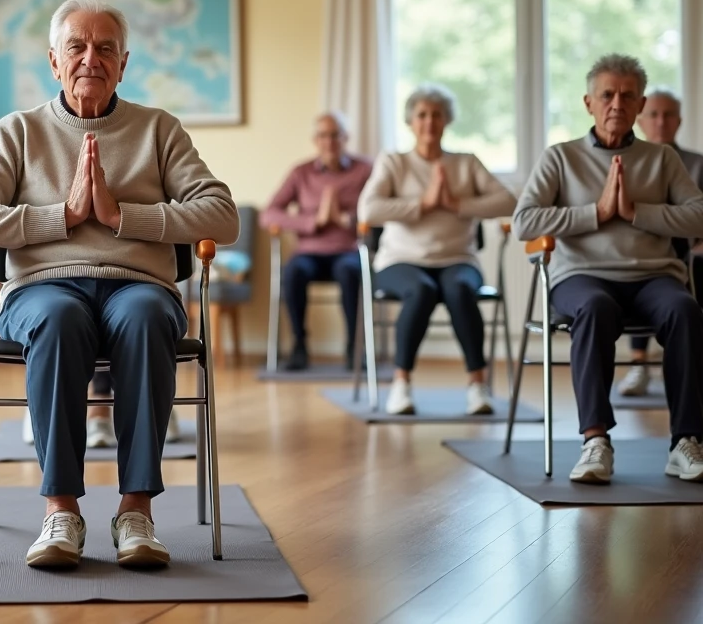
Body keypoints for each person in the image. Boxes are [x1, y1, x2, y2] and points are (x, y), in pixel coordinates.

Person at [0, 0, 239, 569]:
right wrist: (64, 216)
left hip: (139, 287)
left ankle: (136, 513)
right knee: (59, 318)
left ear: (124, 63)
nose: (90, 59)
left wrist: (123, 216)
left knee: (149, 315)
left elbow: (221, 215)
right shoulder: (18, 132)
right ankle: (61, 512)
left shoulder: (158, 130)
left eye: (105, 48)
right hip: (43, 291)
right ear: (54, 61)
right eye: (76, 47)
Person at [513, 54, 703, 484]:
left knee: (685, 310)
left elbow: (699, 215)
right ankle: (595, 441)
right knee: (596, 309)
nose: (617, 103)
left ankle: (685, 441)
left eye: (627, 95)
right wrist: (595, 213)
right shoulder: (559, 157)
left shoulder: (663, 159)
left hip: (653, 276)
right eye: (607, 94)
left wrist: (637, 212)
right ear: (588, 103)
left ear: (640, 105)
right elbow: (524, 222)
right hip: (582, 276)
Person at [357, 84, 516, 416]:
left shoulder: (466, 163)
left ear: (447, 121)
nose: (429, 122)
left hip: (458, 260)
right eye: (422, 115)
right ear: (410, 122)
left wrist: (455, 203)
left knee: (459, 289)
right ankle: (401, 384)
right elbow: (368, 210)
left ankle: (477, 385)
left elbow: (508, 201)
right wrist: (423, 204)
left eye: (437, 115)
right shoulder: (394, 162)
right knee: (421, 290)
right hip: (400, 261)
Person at [260, 112, 372, 370]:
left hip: (348, 250)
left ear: (346, 138)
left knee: (350, 271)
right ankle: (299, 345)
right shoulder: (301, 172)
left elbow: (380, 209)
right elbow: (269, 214)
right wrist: (313, 221)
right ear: (315, 140)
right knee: (294, 272)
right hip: (309, 251)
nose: (329, 141)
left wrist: (347, 219)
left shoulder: (365, 170)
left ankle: (353, 348)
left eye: (335, 135)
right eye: (323, 135)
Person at [619, 87, 703, 397]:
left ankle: (685, 364)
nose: (660, 122)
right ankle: (638, 363)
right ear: (640, 120)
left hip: (689, 251)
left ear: (678, 122)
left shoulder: (697, 164)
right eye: (653, 114)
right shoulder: (624, 163)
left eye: (668, 115)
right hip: (636, 252)